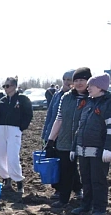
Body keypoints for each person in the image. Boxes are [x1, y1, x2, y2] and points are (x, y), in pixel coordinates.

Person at [72, 73, 111, 215]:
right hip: (83, 150)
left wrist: (108, 148)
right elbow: (80, 126)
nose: (88, 88)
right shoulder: (89, 102)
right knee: (86, 180)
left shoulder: (110, 103)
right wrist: (74, 146)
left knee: (98, 180)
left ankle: (99, 208)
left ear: (100, 87)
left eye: (91, 85)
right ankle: (86, 205)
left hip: (99, 151)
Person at [46, 68, 88, 208]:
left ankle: (86, 199)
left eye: (82, 80)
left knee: (86, 171)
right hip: (65, 140)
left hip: (86, 141)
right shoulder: (66, 97)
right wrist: (51, 139)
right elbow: (59, 119)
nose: (79, 83)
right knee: (66, 170)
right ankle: (64, 199)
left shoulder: (92, 97)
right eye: (76, 80)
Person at [0, 76, 33, 194]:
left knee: (13, 156)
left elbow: (28, 114)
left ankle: (19, 181)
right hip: (0, 129)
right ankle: (6, 179)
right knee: (1, 156)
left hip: (14, 130)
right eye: (4, 86)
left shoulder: (23, 99)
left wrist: (21, 127)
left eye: (7, 86)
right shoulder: (2, 101)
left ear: (14, 86)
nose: (5, 88)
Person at [42, 70, 75, 201]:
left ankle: (77, 188)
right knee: (55, 162)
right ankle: (58, 189)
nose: (67, 82)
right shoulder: (57, 95)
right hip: (53, 134)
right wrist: (46, 134)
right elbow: (51, 115)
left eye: (70, 80)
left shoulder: (74, 97)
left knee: (68, 164)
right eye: (65, 79)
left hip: (67, 136)